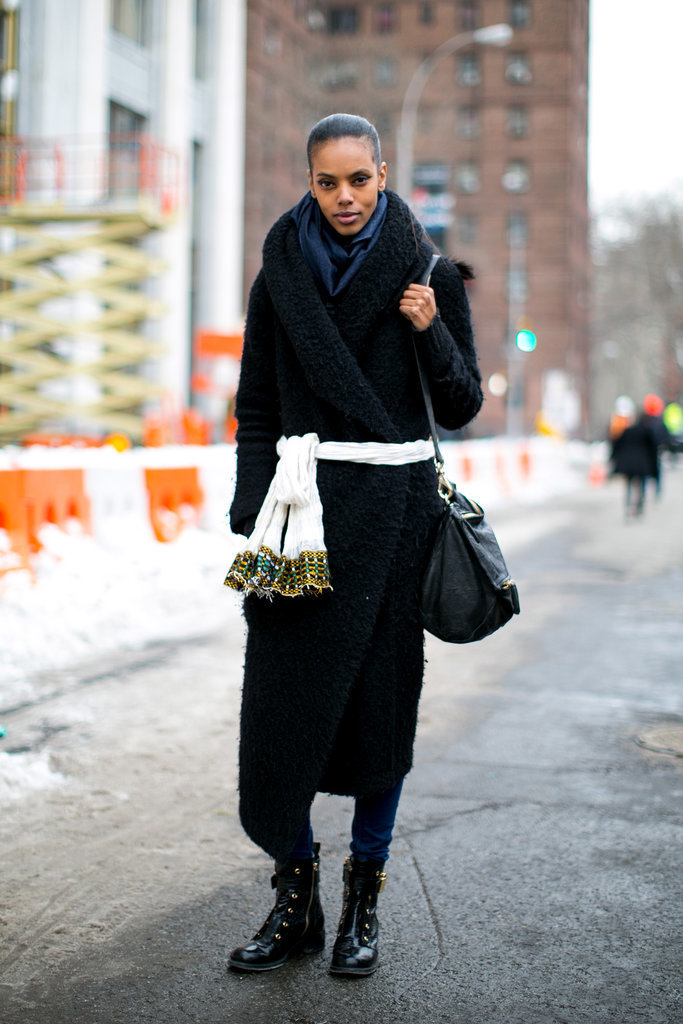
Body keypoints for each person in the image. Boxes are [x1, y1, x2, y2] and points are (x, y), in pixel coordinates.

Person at [224, 113, 482, 976]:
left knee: (378, 709)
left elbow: (461, 405)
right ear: (308, 180)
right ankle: (293, 896)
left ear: (383, 173)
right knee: (280, 709)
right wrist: (251, 508)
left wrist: (429, 329)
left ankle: (362, 897)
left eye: (358, 180)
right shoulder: (279, 275)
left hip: (392, 519)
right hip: (298, 517)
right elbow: (256, 403)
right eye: (327, 182)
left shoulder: (429, 273)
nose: (344, 197)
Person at [610, 402, 660, 516]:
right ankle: (639, 506)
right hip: (642, 463)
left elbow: (617, 445)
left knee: (628, 485)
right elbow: (653, 448)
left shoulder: (627, 431)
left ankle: (628, 505)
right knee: (641, 485)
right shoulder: (646, 431)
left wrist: (613, 459)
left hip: (628, 463)